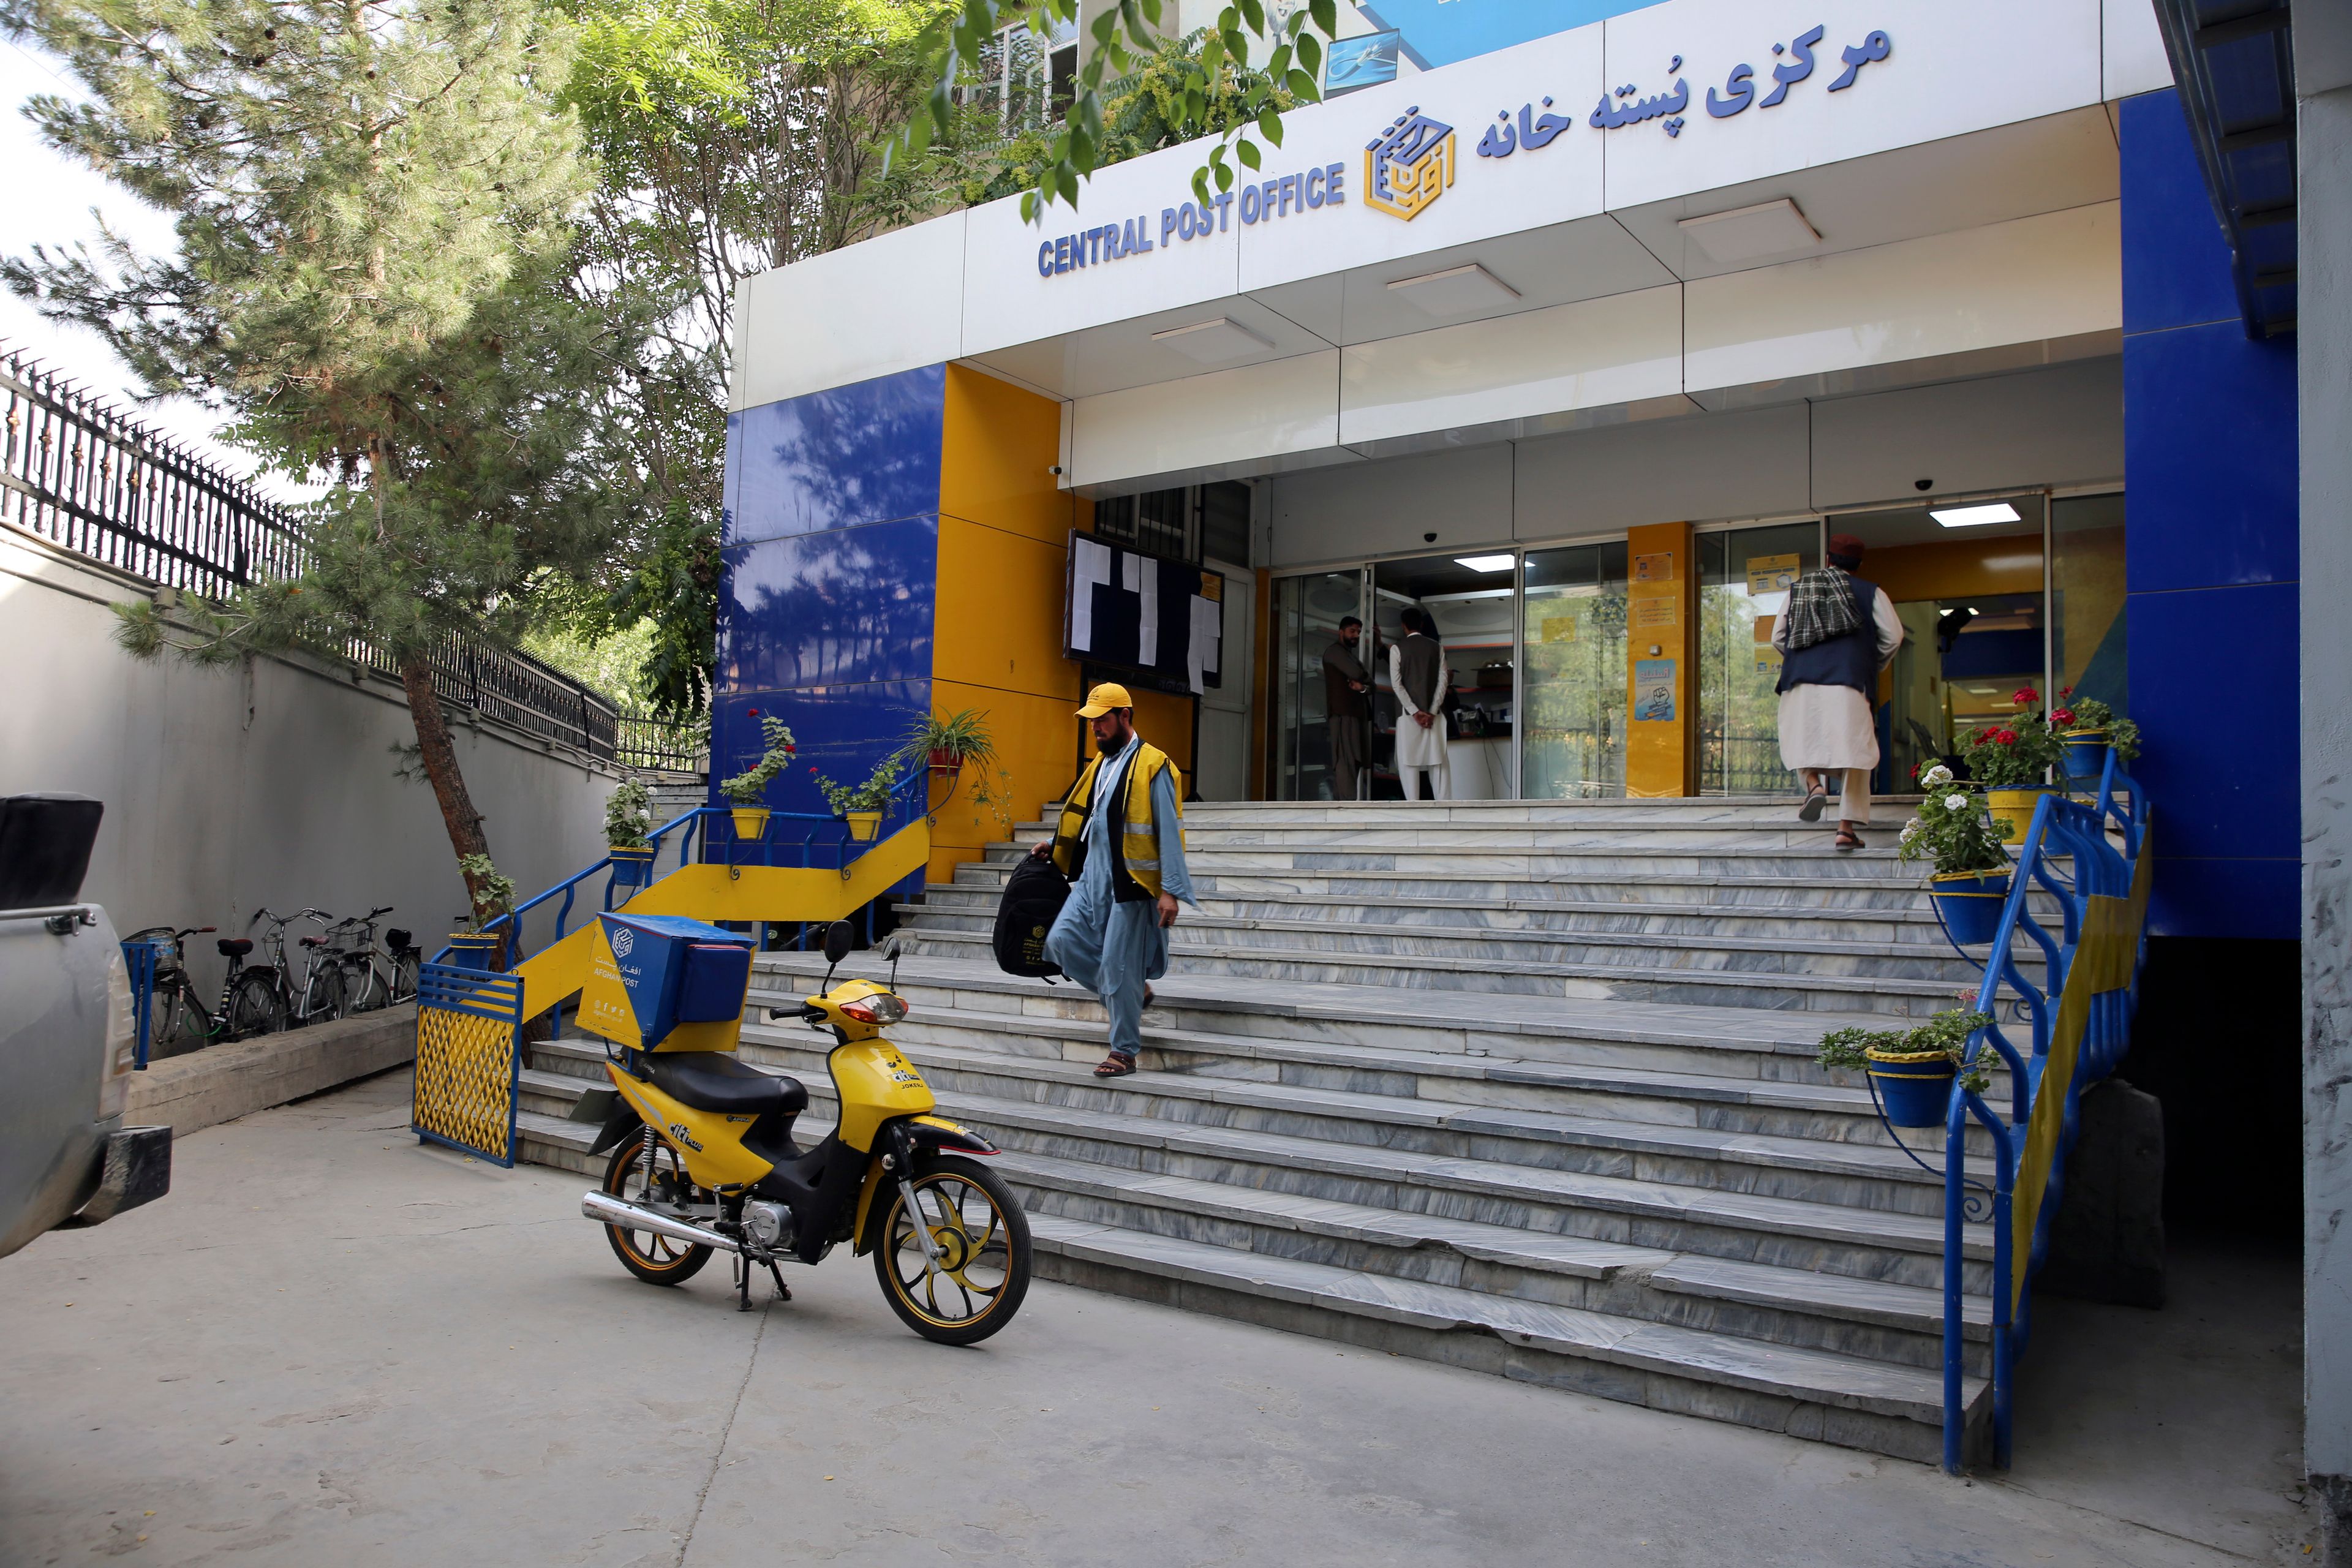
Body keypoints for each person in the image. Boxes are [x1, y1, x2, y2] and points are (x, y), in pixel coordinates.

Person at [1032, 682, 1197, 1078]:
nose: (1095, 729)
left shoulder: (1153, 765)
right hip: (1093, 877)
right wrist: (1054, 845)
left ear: (1125, 716)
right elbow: (1087, 817)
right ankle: (1132, 991)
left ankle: (1124, 1051)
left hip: (1132, 883)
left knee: (1118, 965)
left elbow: (1169, 831)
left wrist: (1171, 891)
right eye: (1091, 723)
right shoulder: (1100, 764)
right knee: (1061, 943)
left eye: (1101, 721)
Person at [1772, 533, 1904, 850]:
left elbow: (1778, 636)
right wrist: (1872, 663)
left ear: (1829, 559)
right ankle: (1845, 829)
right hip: (1848, 682)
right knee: (1856, 753)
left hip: (1801, 682)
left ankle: (1815, 785)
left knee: (1803, 739)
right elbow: (1895, 637)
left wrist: (1803, 658)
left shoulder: (1798, 589)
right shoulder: (1871, 592)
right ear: (1859, 564)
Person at [1389, 606, 1451, 801]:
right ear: (1421, 624)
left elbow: (1397, 685)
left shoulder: (1397, 649)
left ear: (1404, 626)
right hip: (1435, 717)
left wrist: (1415, 712)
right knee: (1439, 763)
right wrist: (1432, 711)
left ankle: (1413, 805)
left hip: (1409, 718)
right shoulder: (1437, 647)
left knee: (1409, 764)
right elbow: (1443, 682)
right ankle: (1445, 807)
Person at [1321, 616, 1372, 800]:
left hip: (1354, 715)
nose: (1356, 635)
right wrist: (1365, 681)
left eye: (1359, 632)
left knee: (1354, 763)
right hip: (1343, 716)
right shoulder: (1335, 652)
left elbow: (1369, 684)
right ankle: (1346, 808)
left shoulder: (1349, 655)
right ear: (1341, 631)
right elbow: (1357, 673)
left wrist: (1363, 686)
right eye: (1352, 631)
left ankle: (1343, 806)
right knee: (1346, 762)